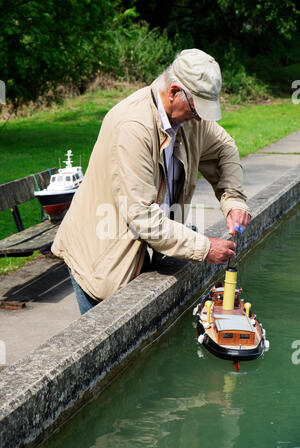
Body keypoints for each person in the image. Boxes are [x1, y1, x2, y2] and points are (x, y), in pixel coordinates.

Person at [51, 48, 251, 315]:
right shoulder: (133, 127)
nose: (200, 117)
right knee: (113, 353)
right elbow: (143, 217)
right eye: (196, 108)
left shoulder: (189, 118)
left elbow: (224, 148)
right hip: (102, 260)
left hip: (144, 250)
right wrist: (204, 247)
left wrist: (234, 200)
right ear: (173, 92)